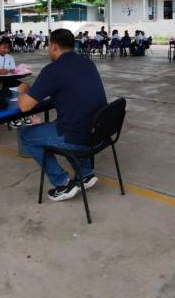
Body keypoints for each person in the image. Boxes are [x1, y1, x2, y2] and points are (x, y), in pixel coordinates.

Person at [17, 29, 107, 201]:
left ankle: (62, 183)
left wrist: (23, 90)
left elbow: (24, 107)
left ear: (53, 46)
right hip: (98, 132)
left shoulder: (53, 70)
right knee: (69, 121)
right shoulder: (87, 62)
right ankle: (86, 174)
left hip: (77, 137)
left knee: (26, 135)